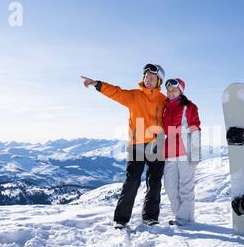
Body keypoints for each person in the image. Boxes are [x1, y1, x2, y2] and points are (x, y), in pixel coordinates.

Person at [82, 64, 167, 229]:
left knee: (154, 182)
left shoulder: (164, 100)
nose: (148, 80)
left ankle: (150, 217)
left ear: (159, 81)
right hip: (136, 144)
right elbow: (116, 92)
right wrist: (97, 84)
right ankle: (121, 219)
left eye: (152, 78)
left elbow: (177, 112)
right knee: (132, 181)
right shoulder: (134, 96)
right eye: (146, 77)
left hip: (157, 144)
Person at [163, 78, 201, 226]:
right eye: (169, 90)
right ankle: (180, 215)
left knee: (186, 187)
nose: (171, 92)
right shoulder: (165, 107)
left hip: (187, 150)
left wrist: (196, 153)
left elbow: (195, 128)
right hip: (170, 151)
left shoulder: (189, 106)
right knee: (170, 186)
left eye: (174, 89)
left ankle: (184, 218)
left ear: (181, 91)